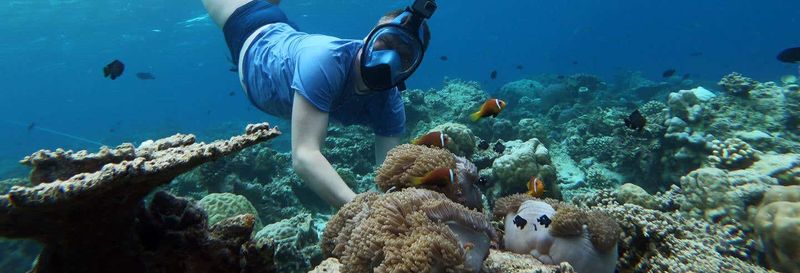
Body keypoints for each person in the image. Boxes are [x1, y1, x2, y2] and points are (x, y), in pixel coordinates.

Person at [201, 0, 436, 208]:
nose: (390, 59)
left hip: (284, 34)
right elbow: (304, 156)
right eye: (385, 41)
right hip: (250, 31)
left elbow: (388, 176)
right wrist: (361, 210)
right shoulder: (324, 62)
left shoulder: (389, 104)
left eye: (405, 56)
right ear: (368, 36)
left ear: (412, 67)